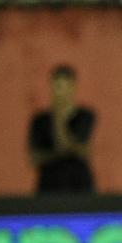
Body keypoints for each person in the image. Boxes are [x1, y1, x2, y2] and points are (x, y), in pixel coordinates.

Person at [29, 65, 96, 194]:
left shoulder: (84, 116)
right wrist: (68, 152)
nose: (59, 93)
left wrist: (59, 118)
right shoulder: (40, 120)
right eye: (56, 87)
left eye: (63, 87)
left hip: (79, 186)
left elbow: (80, 149)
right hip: (49, 186)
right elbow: (34, 158)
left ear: (73, 87)